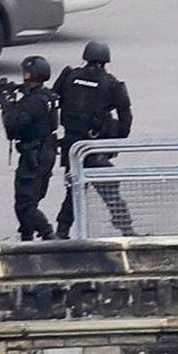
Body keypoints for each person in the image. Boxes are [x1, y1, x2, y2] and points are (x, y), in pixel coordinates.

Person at [54, 40, 136, 235]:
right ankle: (127, 229)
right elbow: (126, 119)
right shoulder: (111, 84)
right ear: (105, 60)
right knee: (109, 189)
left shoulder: (69, 76)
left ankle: (62, 230)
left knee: (74, 189)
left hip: (72, 145)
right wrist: (113, 138)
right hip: (95, 147)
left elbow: (53, 100)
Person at [0, 55, 64, 241]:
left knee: (25, 204)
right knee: (30, 200)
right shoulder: (46, 96)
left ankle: (47, 233)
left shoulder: (34, 102)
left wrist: (6, 102)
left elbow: (13, 124)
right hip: (45, 153)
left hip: (34, 156)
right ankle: (26, 235)